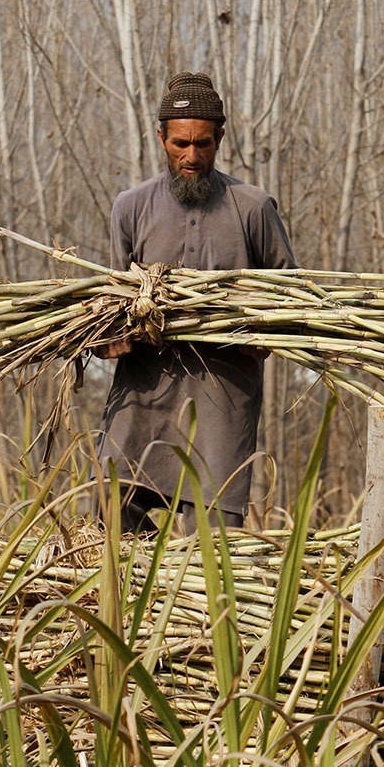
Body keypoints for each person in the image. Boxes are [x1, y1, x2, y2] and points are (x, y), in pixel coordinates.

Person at [97, 72, 296, 533]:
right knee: (113, 508)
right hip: (145, 392)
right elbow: (112, 297)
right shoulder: (131, 206)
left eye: (203, 144)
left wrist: (256, 331)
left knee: (213, 535)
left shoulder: (253, 207)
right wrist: (111, 335)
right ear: (161, 138)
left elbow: (289, 298)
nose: (192, 156)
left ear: (220, 139)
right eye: (180, 144)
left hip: (222, 397)